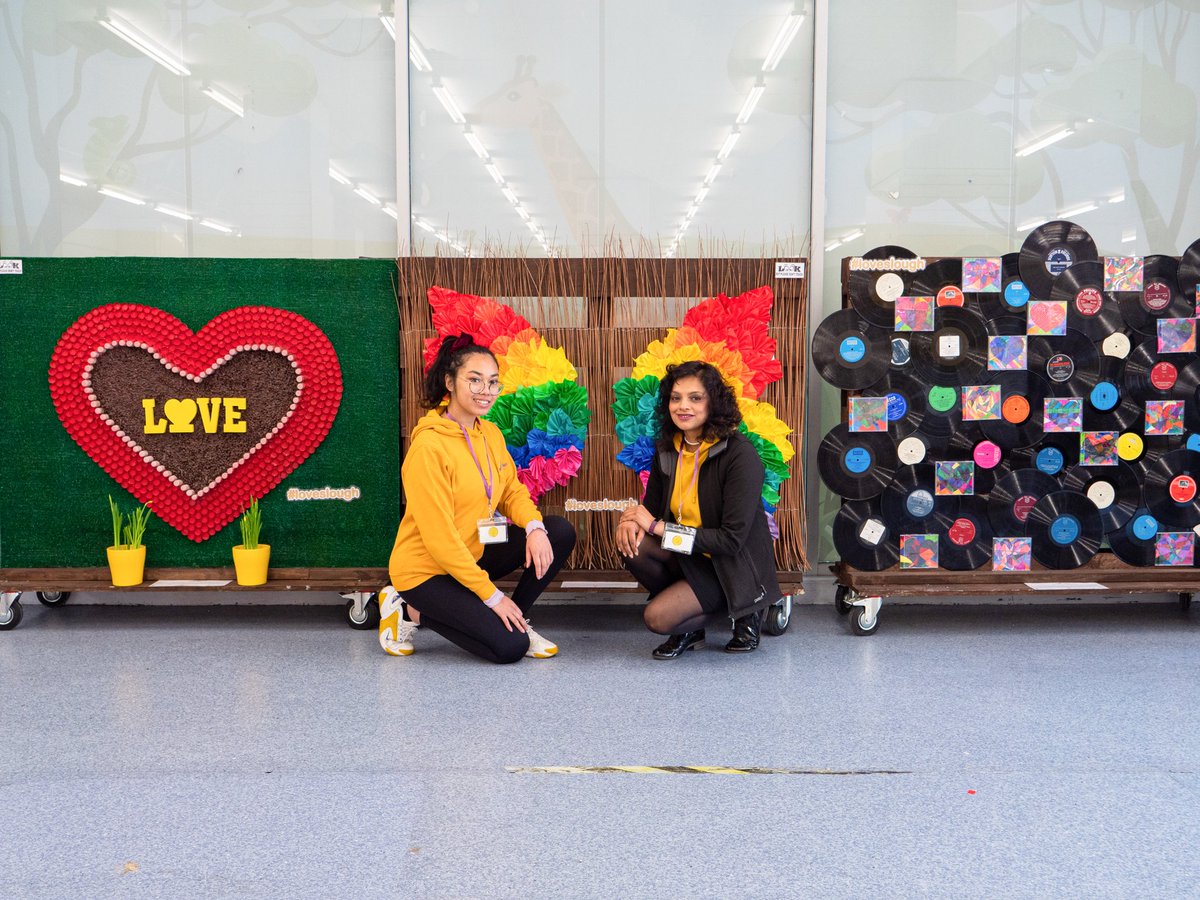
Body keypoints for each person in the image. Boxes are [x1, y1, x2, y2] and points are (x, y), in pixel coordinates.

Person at [381, 333, 576, 663]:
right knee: (509, 649)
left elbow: (512, 490)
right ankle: (408, 609)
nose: (486, 391)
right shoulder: (429, 448)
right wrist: (492, 596)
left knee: (557, 532)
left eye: (493, 382)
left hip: (472, 552)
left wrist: (534, 528)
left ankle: (517, 620)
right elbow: (441, 541)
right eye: (474, 380)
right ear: (450, 382)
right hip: (426, 571)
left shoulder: (490, 433)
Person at [616, 360, 781, 659]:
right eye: (676, 398)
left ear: (714, 402)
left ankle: (745, 610)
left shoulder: (739, 455)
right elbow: (651, 510)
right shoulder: (668, 448)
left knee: (657, 618)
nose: (683, 406)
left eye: (695, 397)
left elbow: (730, 541)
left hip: (728, 565)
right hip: (688, 555)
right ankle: (690, 626)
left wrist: (657, 527)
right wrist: (631, 521)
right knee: (633, 543)